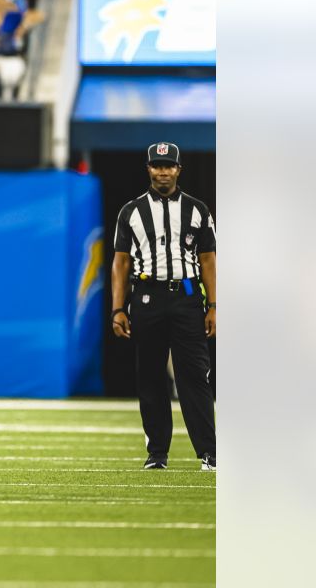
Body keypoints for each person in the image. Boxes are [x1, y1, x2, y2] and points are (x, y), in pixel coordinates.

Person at [110, 142, 216, 472]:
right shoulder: (131, 211)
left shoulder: (197, 210)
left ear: (179, 169)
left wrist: (214, 304)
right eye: (157, 165)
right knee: (151, 377)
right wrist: (117, 309)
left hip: (186, 295)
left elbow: (208, 260)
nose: (163, 171)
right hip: (146, 297)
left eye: (168, 166)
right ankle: (157, 454)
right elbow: (121, 263)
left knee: (194, 376)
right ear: (148, 169)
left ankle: (209, 454)